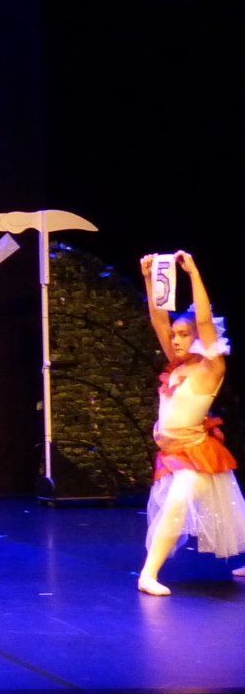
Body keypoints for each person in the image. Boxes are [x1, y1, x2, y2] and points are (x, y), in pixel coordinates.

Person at [136, 251, 243, 595]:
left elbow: (207, 319)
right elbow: (157, 319)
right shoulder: (176, 365)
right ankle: (149, 573)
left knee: (178, 501)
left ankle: (148, 574)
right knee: (232, 509)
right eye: (176, 335)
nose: (176, 339)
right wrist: (150, 278)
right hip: (173, 453)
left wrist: (193, 272)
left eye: (184, 334)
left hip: (197, 452)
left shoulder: (211, 367)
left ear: (198, 336)